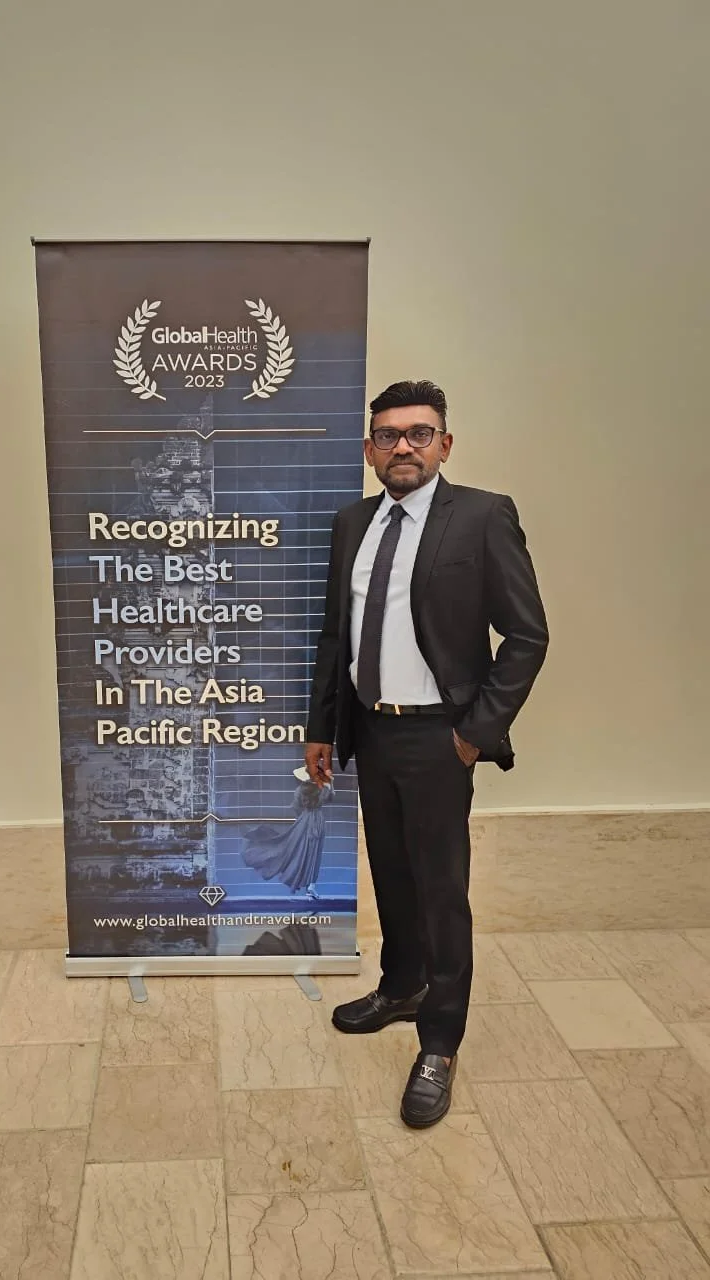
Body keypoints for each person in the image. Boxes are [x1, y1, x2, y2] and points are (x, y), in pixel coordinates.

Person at [304, 380, 548, 1129]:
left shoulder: (481, 516)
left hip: (441, 737)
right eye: (388, 435)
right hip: (371, 732)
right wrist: (323, 726)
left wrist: (475, 732)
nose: (402, 446)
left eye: (418, 433)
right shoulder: (353, 523)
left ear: (444, 444)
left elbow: (527, 635)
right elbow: (336, 636)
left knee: (442, 891)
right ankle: (401, 986)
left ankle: (440, 1041)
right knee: (393, 871)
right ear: (369, 449)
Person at [240, 767, 332, 899]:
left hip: (305, 819)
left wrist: (302, 818)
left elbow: (296, 806)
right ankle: (310, 885)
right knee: (313, 853)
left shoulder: (300, 789)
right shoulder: (318, 789)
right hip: (315, 820)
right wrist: (328, 785)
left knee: (300, 850)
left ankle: (310, 885)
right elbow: (325, 799)